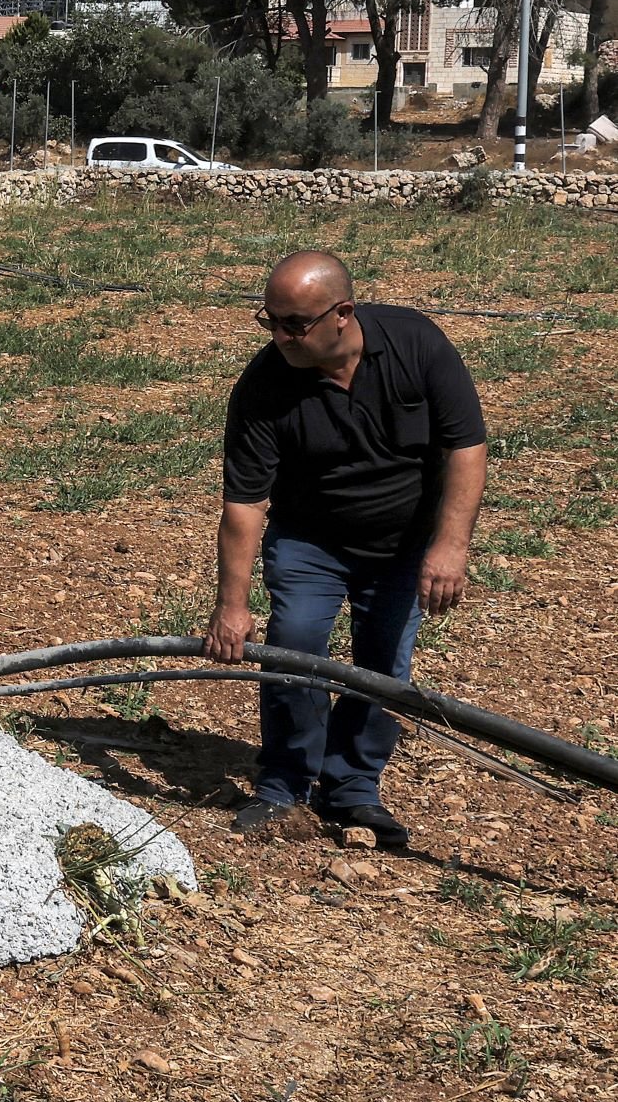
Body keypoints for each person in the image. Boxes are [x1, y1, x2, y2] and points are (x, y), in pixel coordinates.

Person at [210, 250, 487, 848]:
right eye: (271, 321)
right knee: (295, 649)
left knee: (382, 669)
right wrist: (232, 604)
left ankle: (354, 791)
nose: (280, 336)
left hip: (401, 545)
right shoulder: (265, 386)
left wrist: (450, 545)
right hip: (310, 541)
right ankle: (283, 788)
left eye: (294, 323)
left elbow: (465, 446)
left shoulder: (416, 345)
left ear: (343, 313)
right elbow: (245, 503)